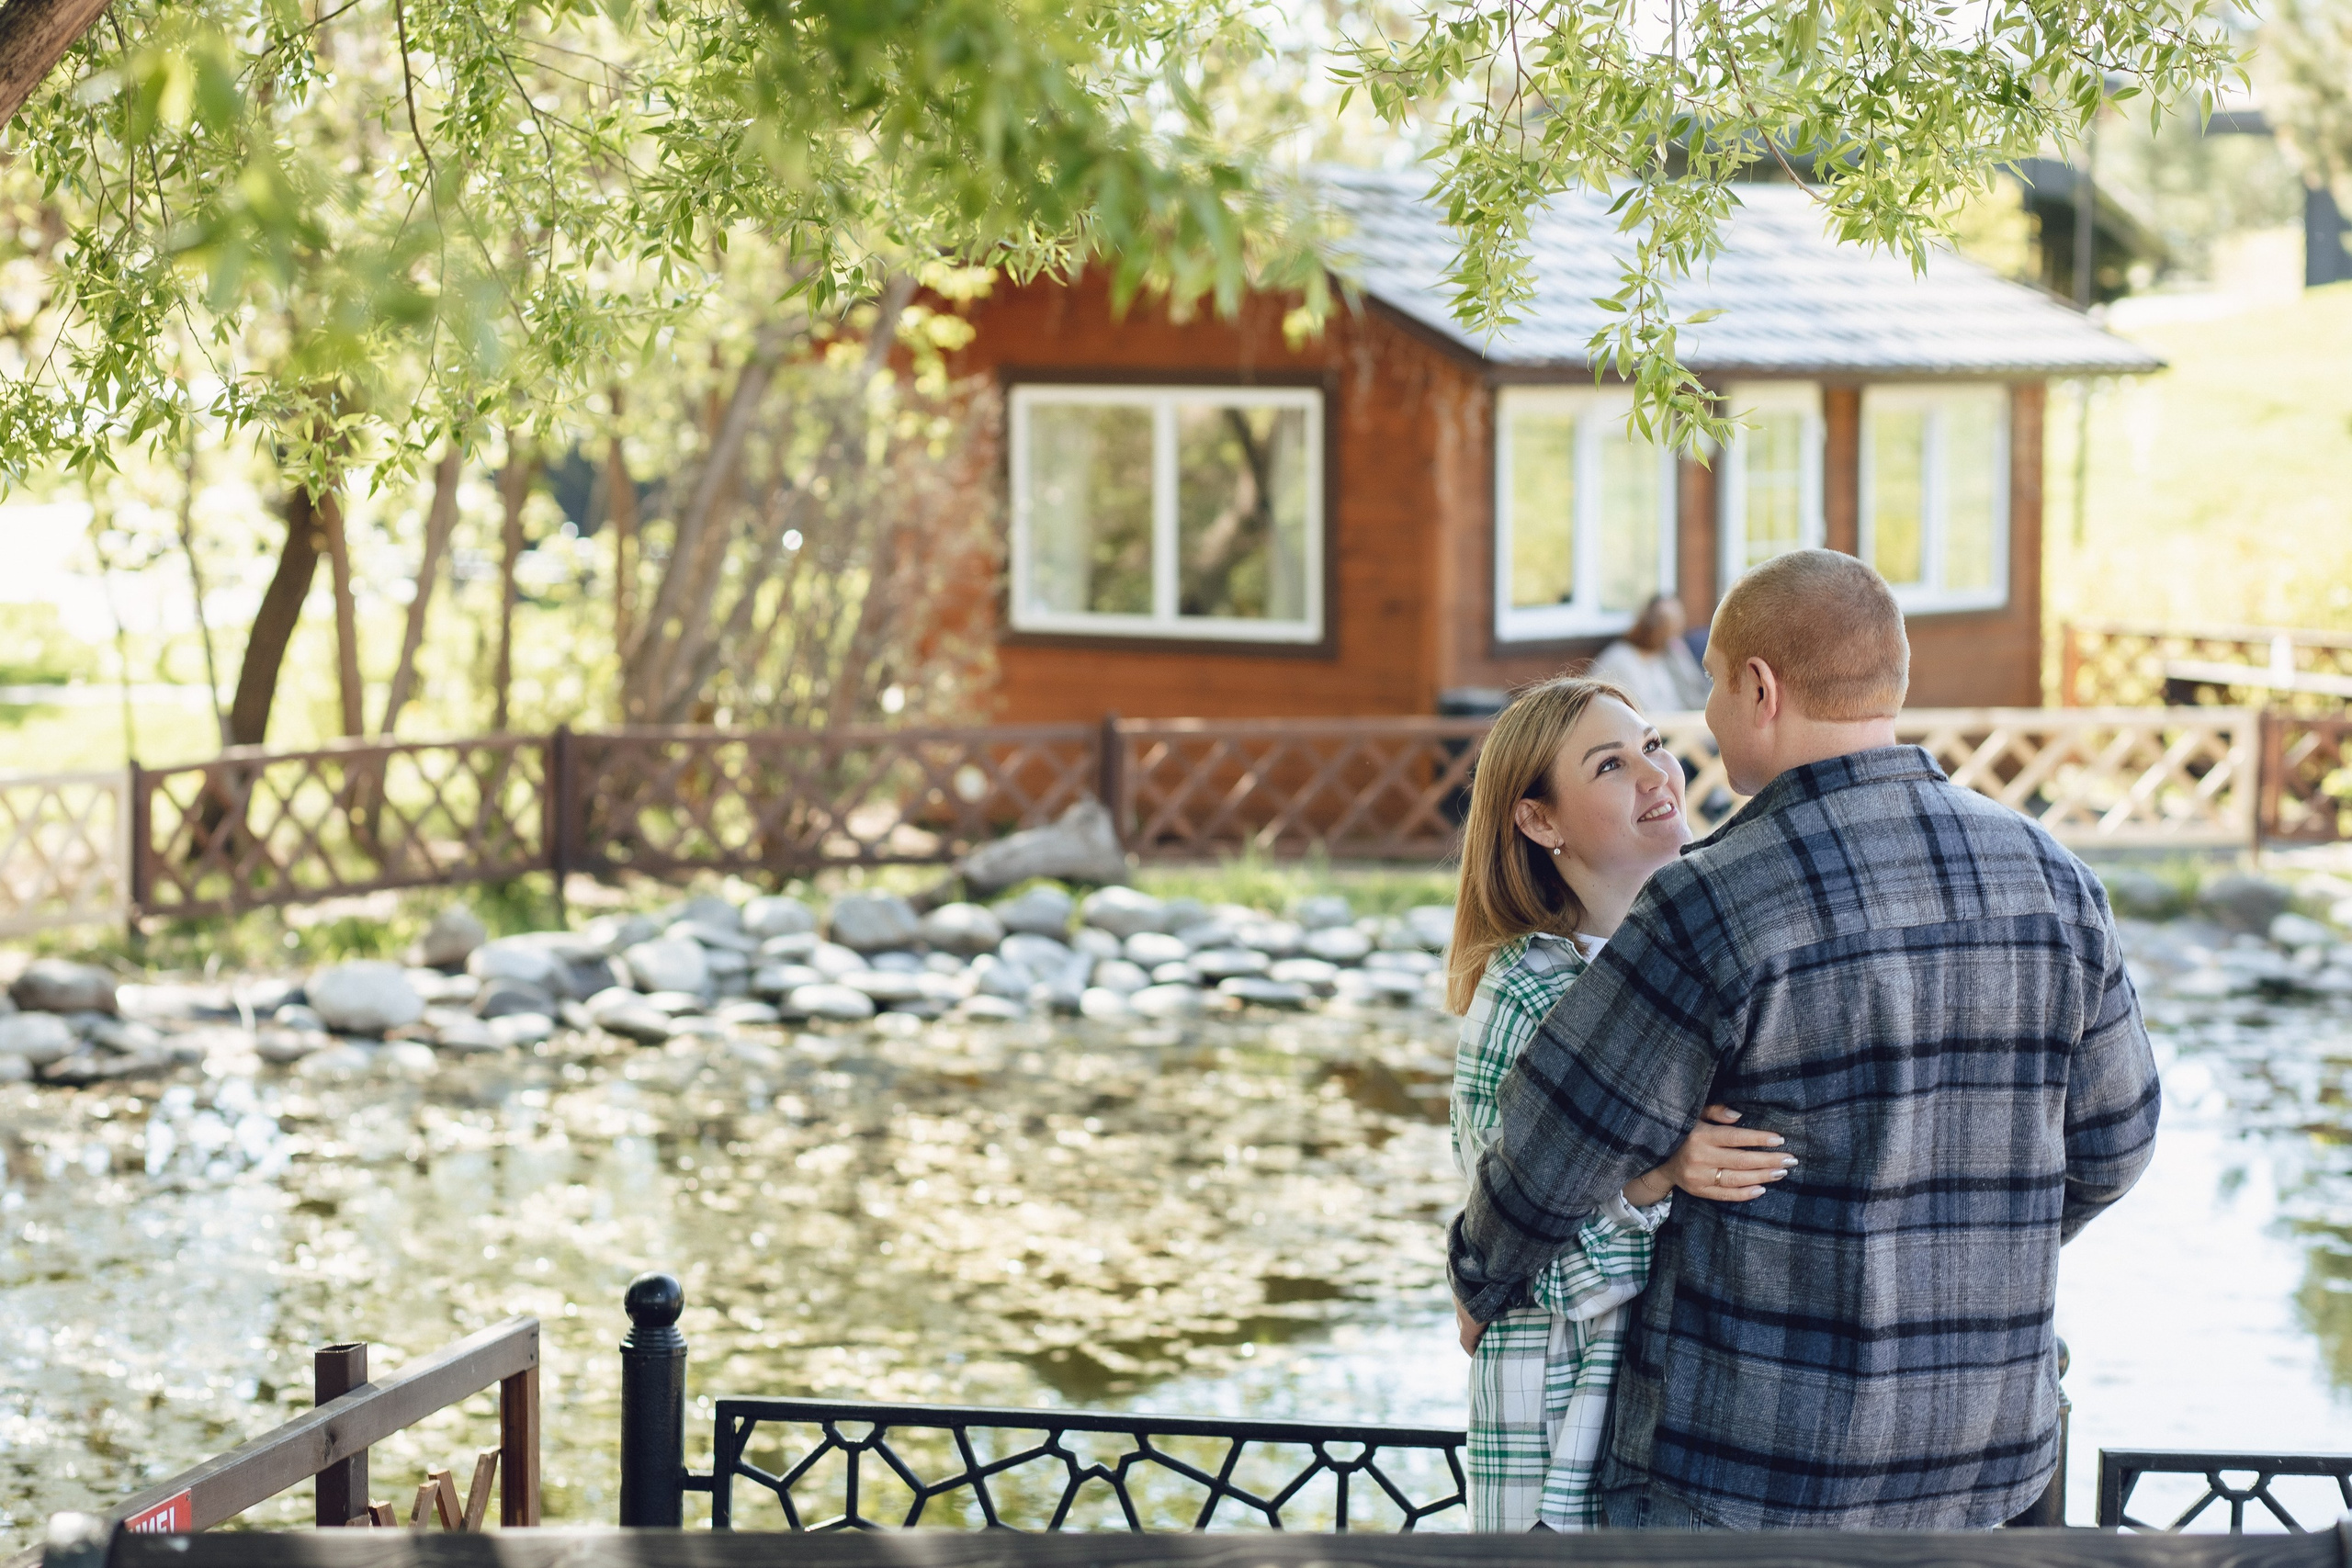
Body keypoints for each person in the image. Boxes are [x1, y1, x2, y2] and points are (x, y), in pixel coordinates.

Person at [1448, 549, 2161, 1530]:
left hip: (1742, 1475)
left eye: (1707, 687)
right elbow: (2116, 1148)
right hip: (1983, 1459)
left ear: (1758, 687)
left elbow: (1548, 1155)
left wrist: (1476, 1282)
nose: (1700, 721)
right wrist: (1969, 1244)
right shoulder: (2053, 876)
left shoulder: (1711, 898)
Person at [1445, 676, 1791, 1530]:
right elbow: (1522, 1278)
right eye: (1610, 763)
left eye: (1653, 746)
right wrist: (1658, 1177)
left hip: (1698, 1434)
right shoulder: (1526, 996)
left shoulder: (1719, 963)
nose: (1654, 775)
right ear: (1539, 821)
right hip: (1562, 1442)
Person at [1587, 596, 1710, 715]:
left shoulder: (1661, 659)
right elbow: (1646, 711)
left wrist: (1681, 657)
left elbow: (1692, 694)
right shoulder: (1621, 659)